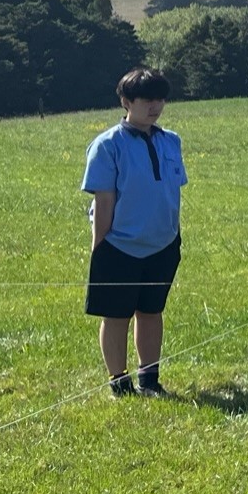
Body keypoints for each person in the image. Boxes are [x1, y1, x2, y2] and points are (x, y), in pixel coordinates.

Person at [82, 67, 186, 397]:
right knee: (116, 316)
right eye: (146, 100)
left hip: (163, 245)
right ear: (126, 101)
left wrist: (174, 235)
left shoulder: (172, 141)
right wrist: (100, 247)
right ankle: (119, 381)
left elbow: (172, 192)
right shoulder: (107, 146)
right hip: (119, 247)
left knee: (152, 311)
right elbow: (104, 201)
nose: (154, 107)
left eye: (160, 99)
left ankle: (150, 379)